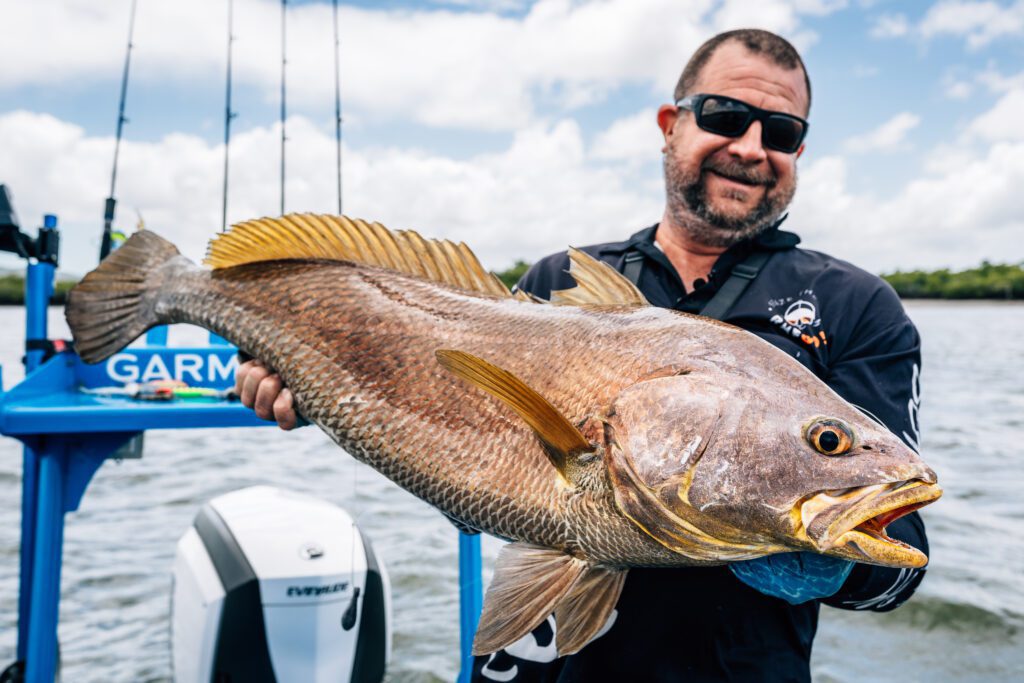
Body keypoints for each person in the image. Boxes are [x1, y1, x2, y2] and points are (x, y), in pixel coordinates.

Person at [236, 28, 929, 682]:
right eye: (725, 116)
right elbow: (472, 476)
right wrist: (327, 386)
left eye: (781, 132)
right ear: (671, 125)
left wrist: (832, 559)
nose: (751, 147)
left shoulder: (857, 307)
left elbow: (902, 560)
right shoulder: (557, 282)